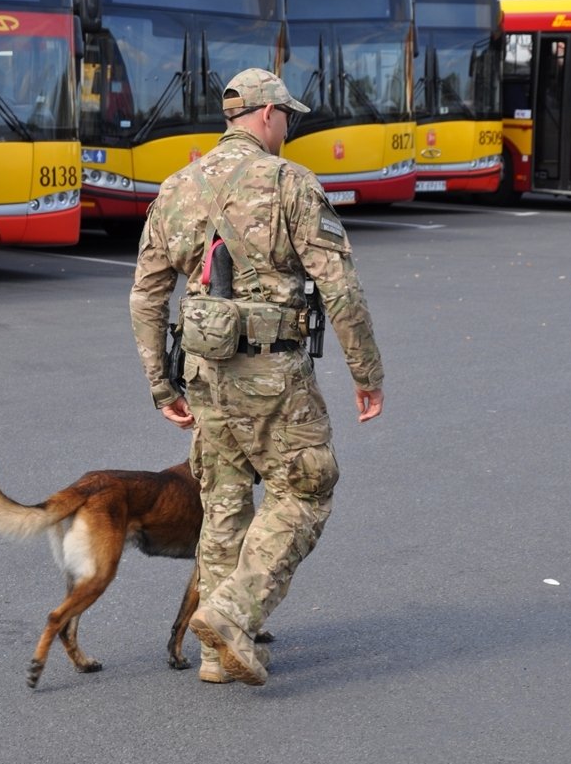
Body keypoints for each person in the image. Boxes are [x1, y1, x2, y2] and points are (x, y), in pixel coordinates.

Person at [129, 67, 384, 687]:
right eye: (288, 119)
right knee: (307, 489)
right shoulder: (289, 183)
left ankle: (217, 656)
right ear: (267, 116)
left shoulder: (175, 187)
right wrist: (366, 372)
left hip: (203, 375)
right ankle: (232, 614)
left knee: (223, 499)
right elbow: (340, 288)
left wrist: (162, 386)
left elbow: (145, 298)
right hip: (272, 376)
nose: (289, 129)